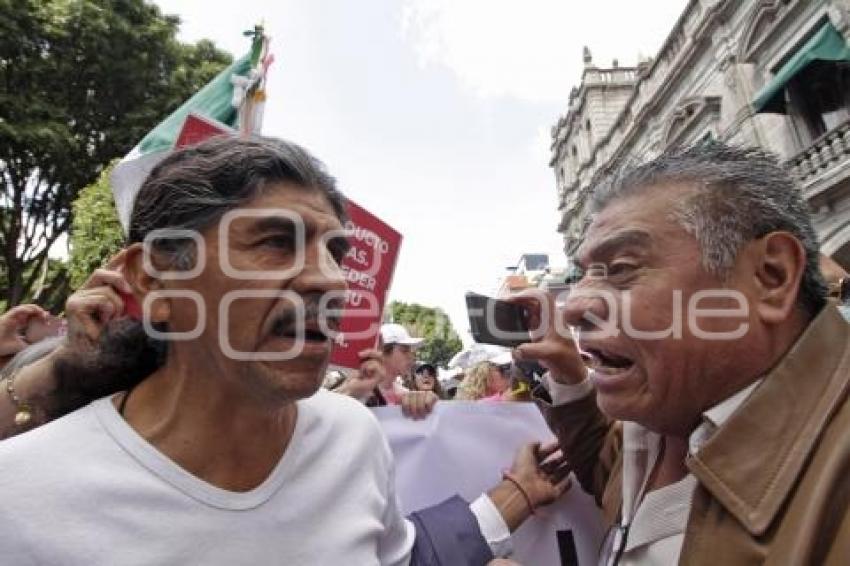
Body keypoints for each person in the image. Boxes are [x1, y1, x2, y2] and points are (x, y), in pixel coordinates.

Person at [0, 136, 571, 565]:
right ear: (153, 281)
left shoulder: (352, 435)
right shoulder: (19, 494)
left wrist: (515, 496)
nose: (330, 281)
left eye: (337, 253)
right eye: (276, 242)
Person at [514, 142, 850, 564]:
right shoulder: (658, 417)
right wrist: (566, 372)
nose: (576, 306)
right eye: (583, 275)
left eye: (619, 269)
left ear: (771, 276)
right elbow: (606, 472)